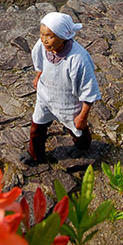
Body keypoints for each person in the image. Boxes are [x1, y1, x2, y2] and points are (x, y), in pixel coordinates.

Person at [27, 12, 101, 164]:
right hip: (45, 96)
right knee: (37, 127)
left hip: (67, 101)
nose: (44, 40)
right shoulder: (42, 46)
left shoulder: (78, 59)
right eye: (42, 34)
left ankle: (83, 146)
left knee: (77, 128)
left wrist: (83, 116)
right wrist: (38, 75)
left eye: (50, 36)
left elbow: (89, 91)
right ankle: (35, 154)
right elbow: (40, 62)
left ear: (63, 36)